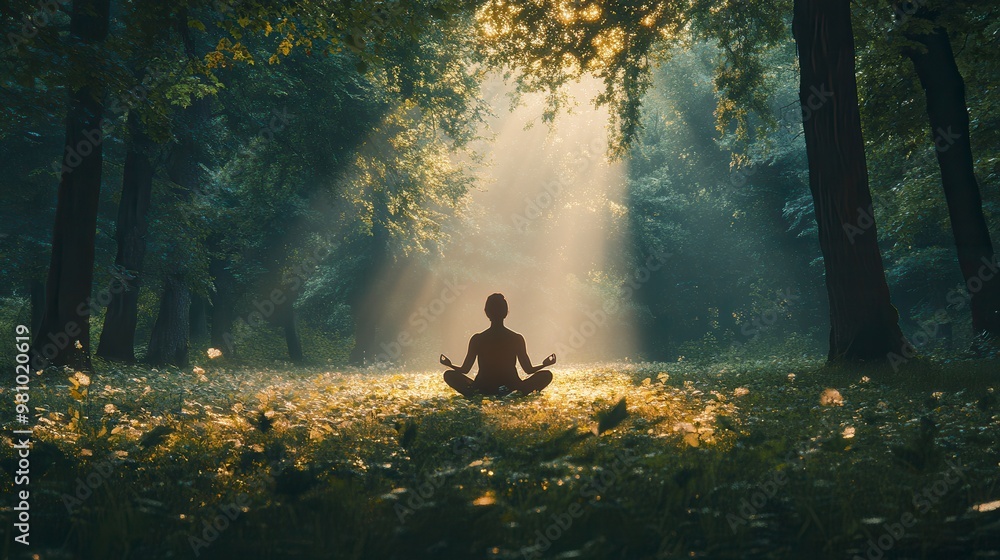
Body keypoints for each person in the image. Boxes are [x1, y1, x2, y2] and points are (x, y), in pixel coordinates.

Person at [442, 293, 555, 397]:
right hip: (511, 386)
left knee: (449, 375)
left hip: (483, 387)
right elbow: (528, 369)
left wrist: (449, 364)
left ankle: (475, 393)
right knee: (546, 375)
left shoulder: (478, 339)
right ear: (506, 313)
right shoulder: (516, 338)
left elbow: (465, 369)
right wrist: (544, 364)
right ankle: (517, 393)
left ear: (486, 312)